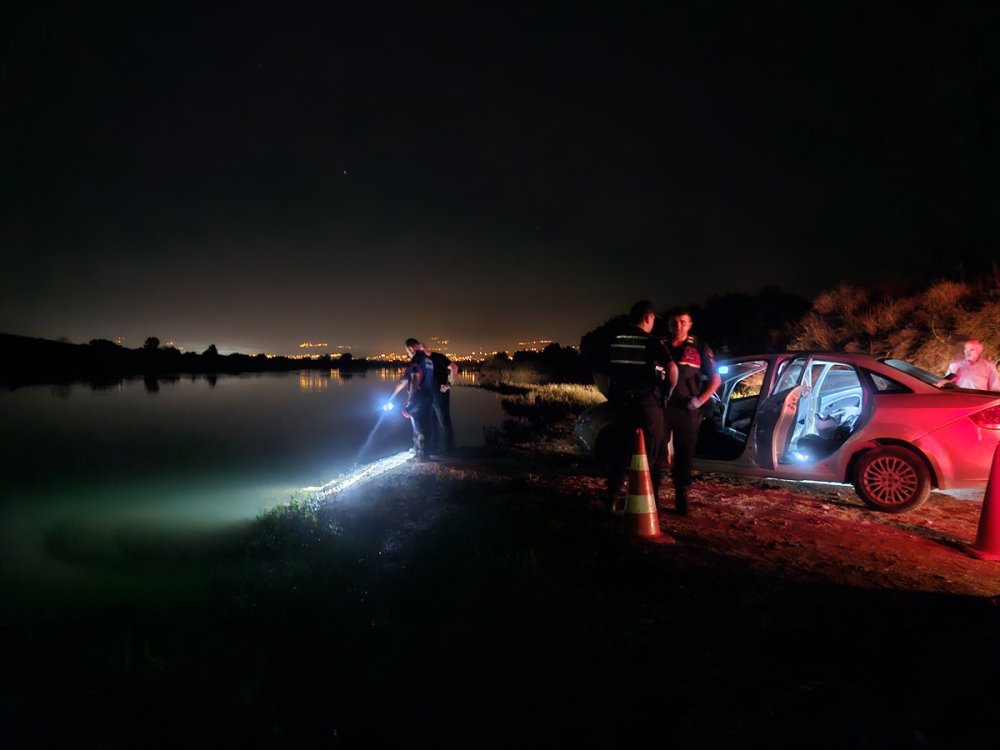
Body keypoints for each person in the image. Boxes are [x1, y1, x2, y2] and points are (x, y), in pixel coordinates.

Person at [603, 300, 676, 512]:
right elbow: (672, 370)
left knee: (619, 453)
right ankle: (645, 503)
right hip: (647, 405)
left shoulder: (615, 340)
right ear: (648, 317)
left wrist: (612, 394)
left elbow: (603, 372)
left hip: (621, 405)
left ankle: (611, 499)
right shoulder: (651, 342)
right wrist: (667, 392)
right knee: (650, 455)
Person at [664, 309, 721, 515]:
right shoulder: (660, 346)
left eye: (682, 322)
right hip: (662, 409)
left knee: (684, 455)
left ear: (689, 325)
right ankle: (649, 495)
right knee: (656, 454)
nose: (678, 326)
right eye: (674, 322)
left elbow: (716, 379)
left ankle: (681, 498)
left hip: (686, 411)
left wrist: (699, 401)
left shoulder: (699, 349)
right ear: (669, 325)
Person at [402, 340, 460, 454]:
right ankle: (433, 449)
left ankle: (449, 449)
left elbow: (454, 367)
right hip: (426, 396)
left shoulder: (437, 357)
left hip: (439, 395)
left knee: (443, 422)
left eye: (410, 350)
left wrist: (449, 384)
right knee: (430, 424)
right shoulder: (422, 360)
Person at [387, 338, 437, 461]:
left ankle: (420, 456)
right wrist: (391, 397)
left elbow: (415, 378)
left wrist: (410, 400)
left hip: (418, 397)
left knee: (418, 427)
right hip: (428, 396)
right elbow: (404, 381)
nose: (407, 353)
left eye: (407, 350)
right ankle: (426, 453)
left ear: (410, 347)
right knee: (425, 425)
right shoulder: (428, 360)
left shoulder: (416, 359)